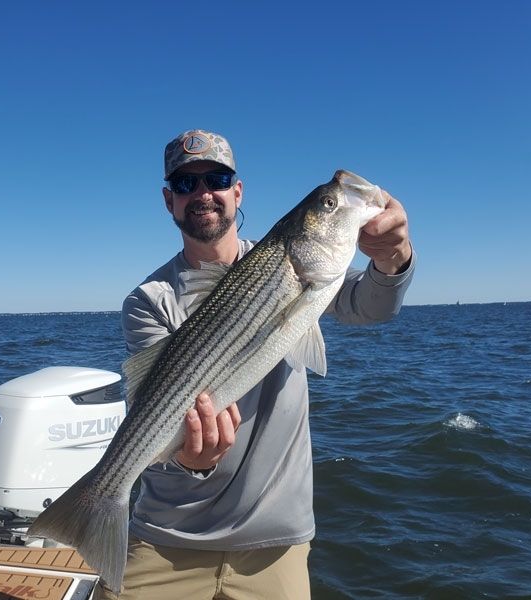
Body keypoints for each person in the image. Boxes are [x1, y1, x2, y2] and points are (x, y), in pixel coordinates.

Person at [99, 129, 415, 599]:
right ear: (169, 201)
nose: (203, 193)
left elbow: (370, 305)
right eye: (186, 184)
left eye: (217, 179)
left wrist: (394, 257)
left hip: (274, 538)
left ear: (237, 191)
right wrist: (190, 460)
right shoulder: (149, 300)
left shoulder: (297, 270)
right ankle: (97, 504)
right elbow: (156, 409)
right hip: (169, 534)